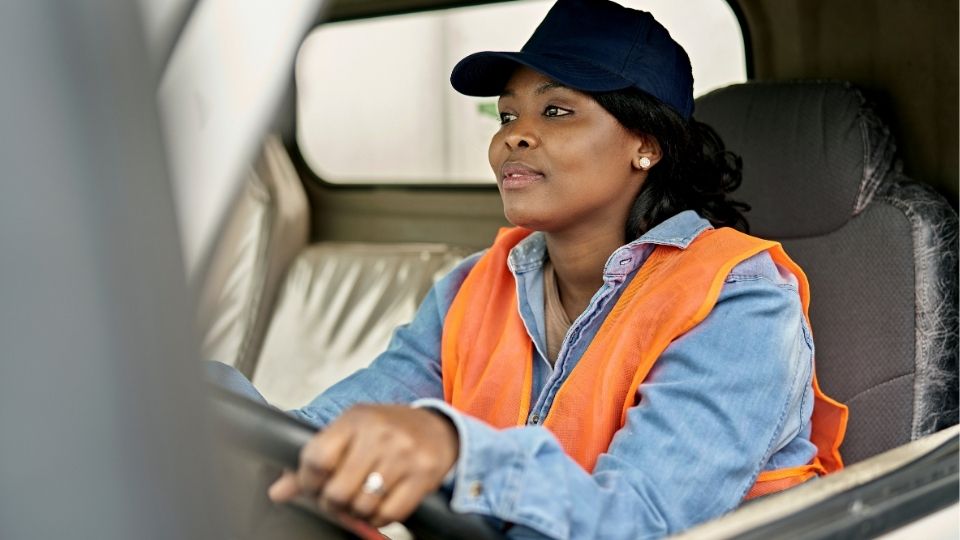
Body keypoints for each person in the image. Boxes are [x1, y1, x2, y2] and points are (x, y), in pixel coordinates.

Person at [230, 0, 850, 537]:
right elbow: (326, 429)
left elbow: (641, 521)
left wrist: (455, 452)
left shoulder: (738, 302)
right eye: (507, 116)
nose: (515, 137)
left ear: (646, 144)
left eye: (556, 111)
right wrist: (215, 408)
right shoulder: (474, 287)